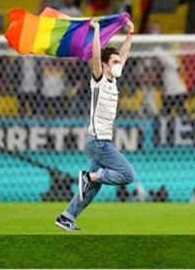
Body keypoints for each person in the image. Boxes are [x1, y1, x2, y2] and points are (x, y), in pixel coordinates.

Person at [55, 18, 136, 231]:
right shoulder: (99, 78)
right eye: (115, 62)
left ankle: (66, 217)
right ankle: (87, 175)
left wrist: (129, 35)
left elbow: (124, 55)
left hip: (97, 141)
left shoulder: (113, 80)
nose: (119, 65)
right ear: (104, 65)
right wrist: (98, 31)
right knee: (127, 175)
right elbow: (97, 56)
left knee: (92, 188)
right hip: (99, 142)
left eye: (119, 62)